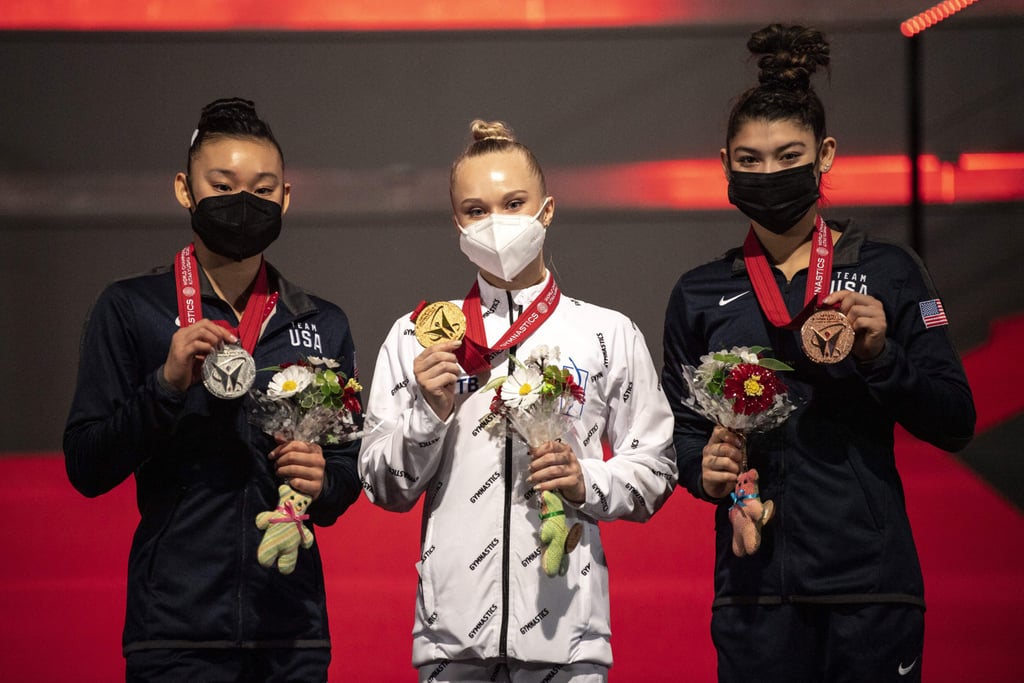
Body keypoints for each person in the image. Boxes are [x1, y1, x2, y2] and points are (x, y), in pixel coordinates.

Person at [662, 24, 976, 683]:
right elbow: (682, 438)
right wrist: (705, 470)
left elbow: (954, 418)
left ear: (825, 154)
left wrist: (881, 353)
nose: (768, 173)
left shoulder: (889, 272)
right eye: (749, 160)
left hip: (871, 588)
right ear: (724, 164)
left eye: (787, 155)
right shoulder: (699, 292)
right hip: (752, 591)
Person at [358, 120, 678, 682]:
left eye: (513, 203)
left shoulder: (607, 334)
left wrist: (587, 482)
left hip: (568, 640)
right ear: (457, 222)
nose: (497, 222)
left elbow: (656, 466)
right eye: (477, 210)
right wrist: (427, 415)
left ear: (547, 210)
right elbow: (383, 486)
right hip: (450, 643)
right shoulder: (414, 338)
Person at [63, 97, 362, 682]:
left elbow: (348, 469)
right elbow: (87, 464)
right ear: (185, 189)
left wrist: (324, 481)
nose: (243, 203)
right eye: (222, 185)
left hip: (292, 635)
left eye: (262, 188)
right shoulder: (132, 308)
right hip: (173, 633)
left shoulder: (323, 323)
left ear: (286, 198)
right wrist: (166, 385)